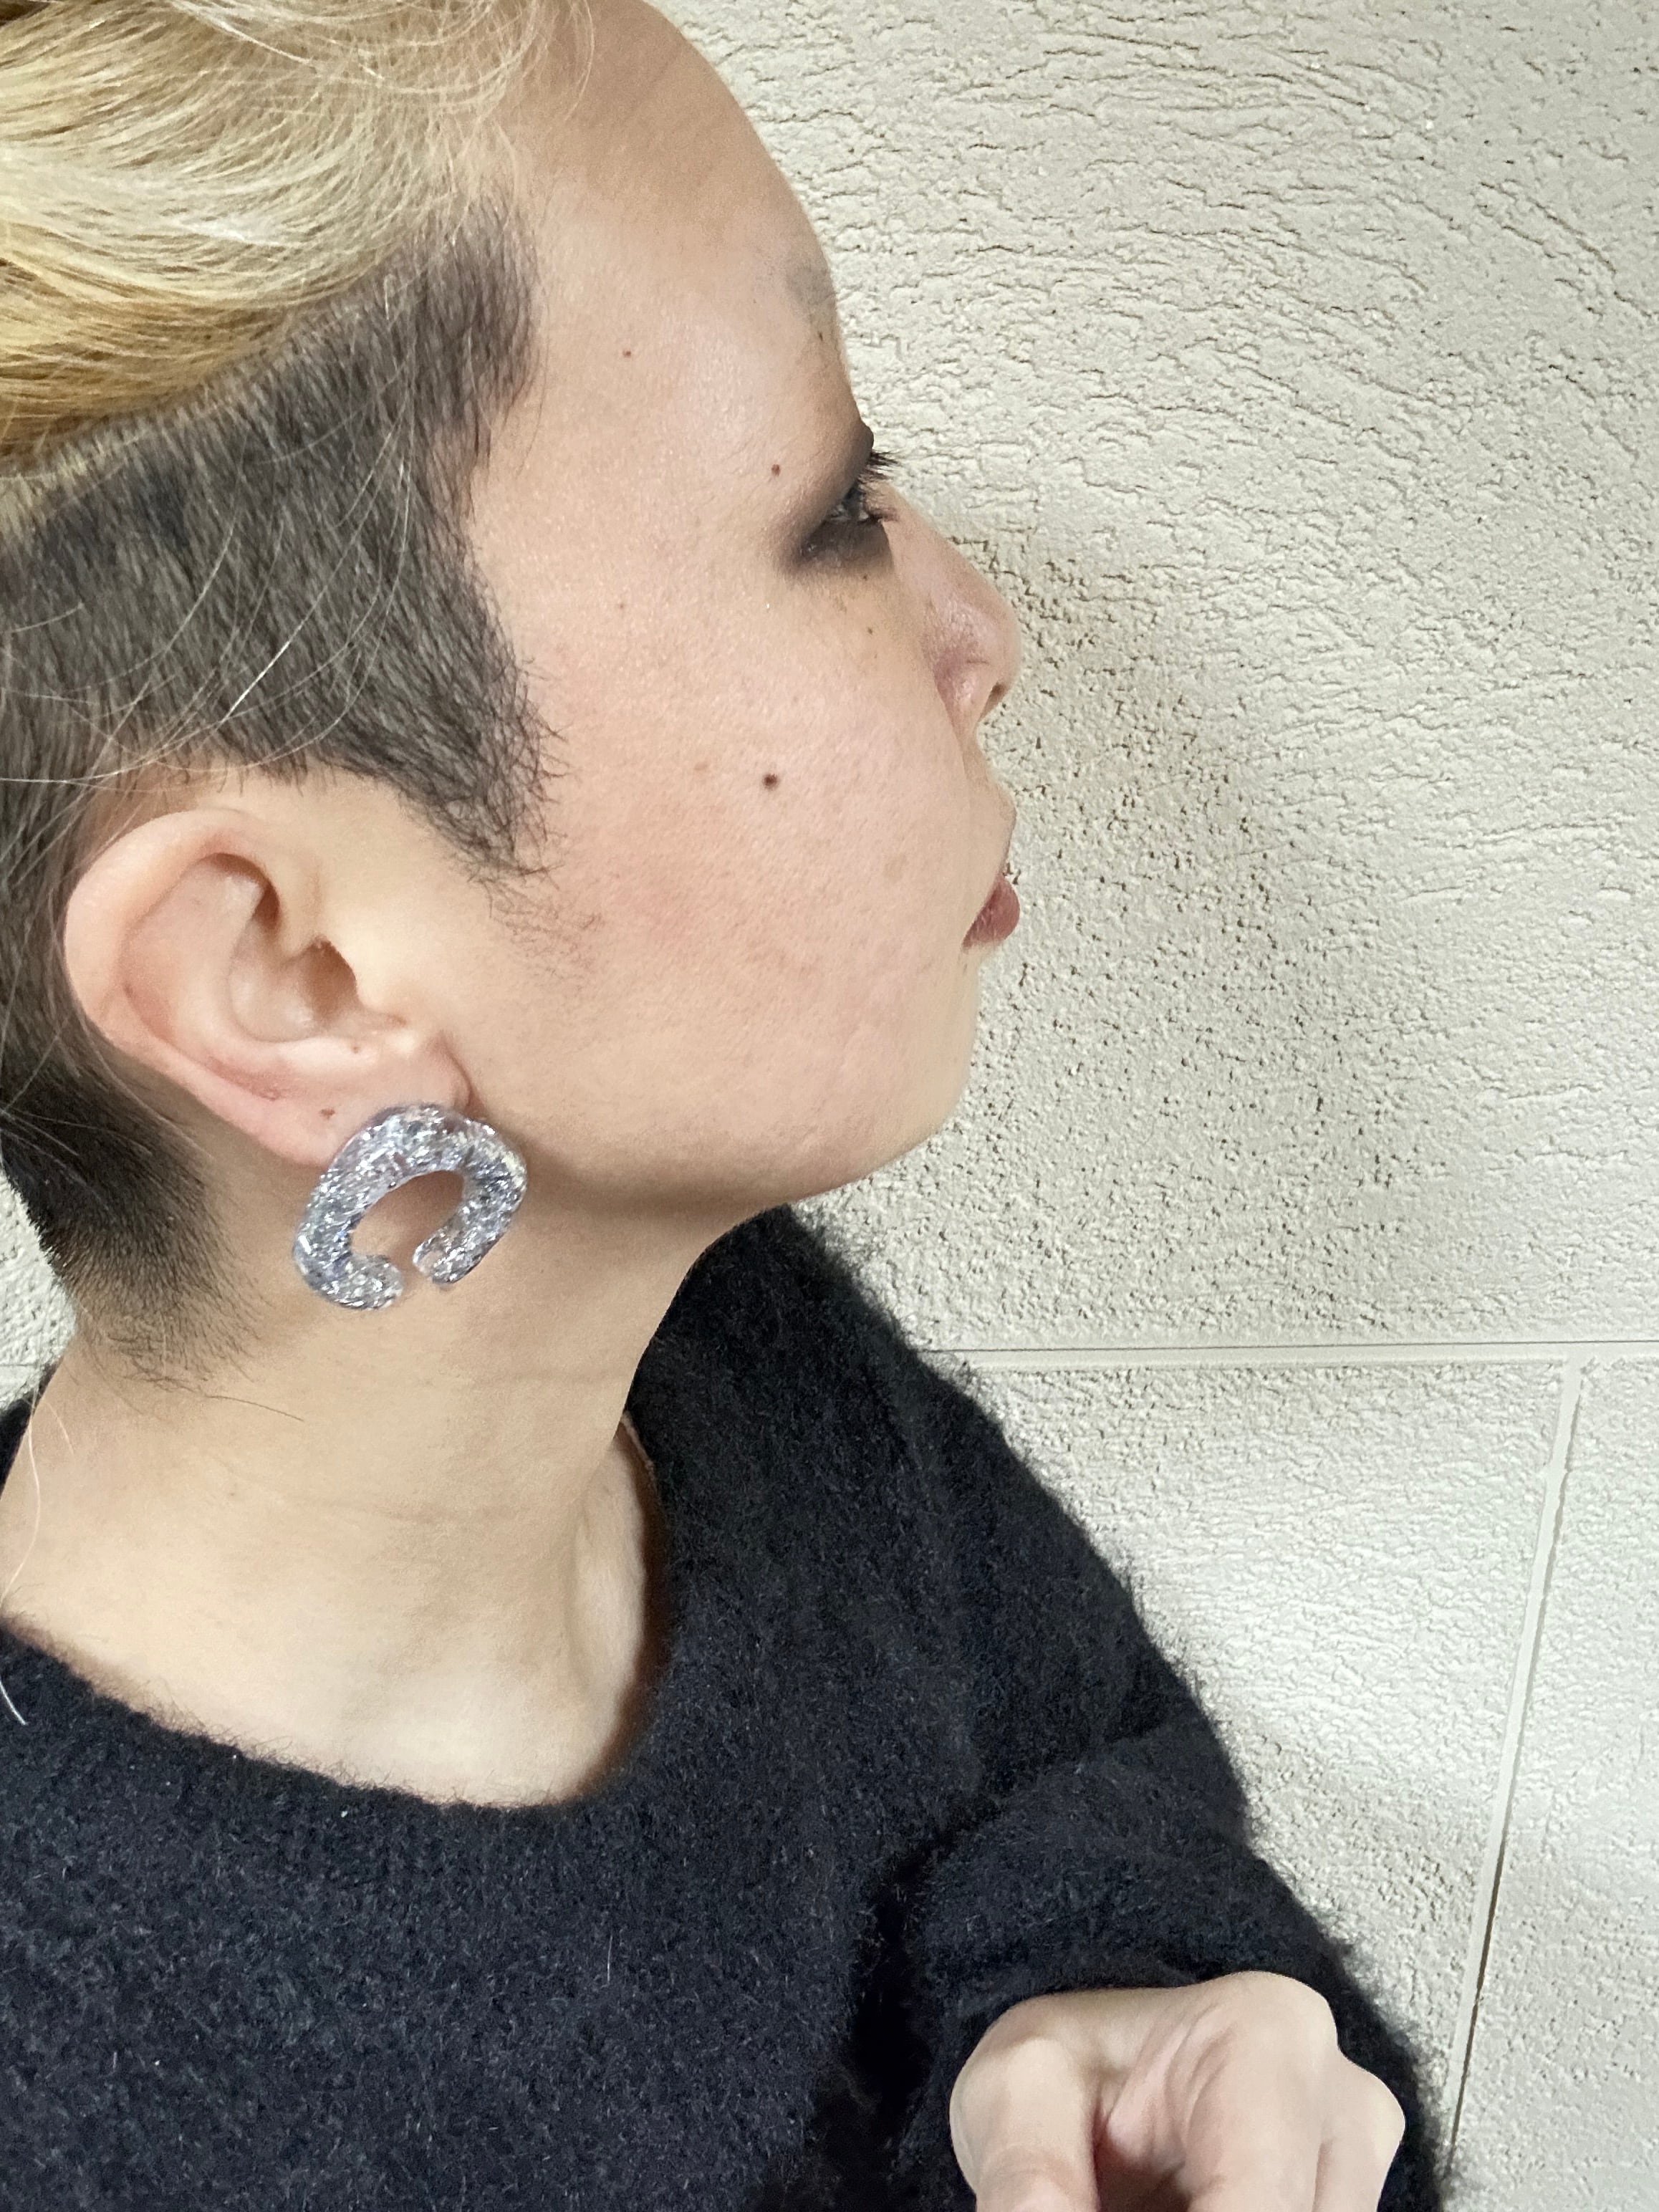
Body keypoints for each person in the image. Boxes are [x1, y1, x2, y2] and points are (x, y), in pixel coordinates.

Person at [0, 1, 1441, 2205]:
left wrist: (1095, 1992)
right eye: (836, 507)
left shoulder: (748, 1368)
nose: (979, 627)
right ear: (289, 973)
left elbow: (1081, 1765)